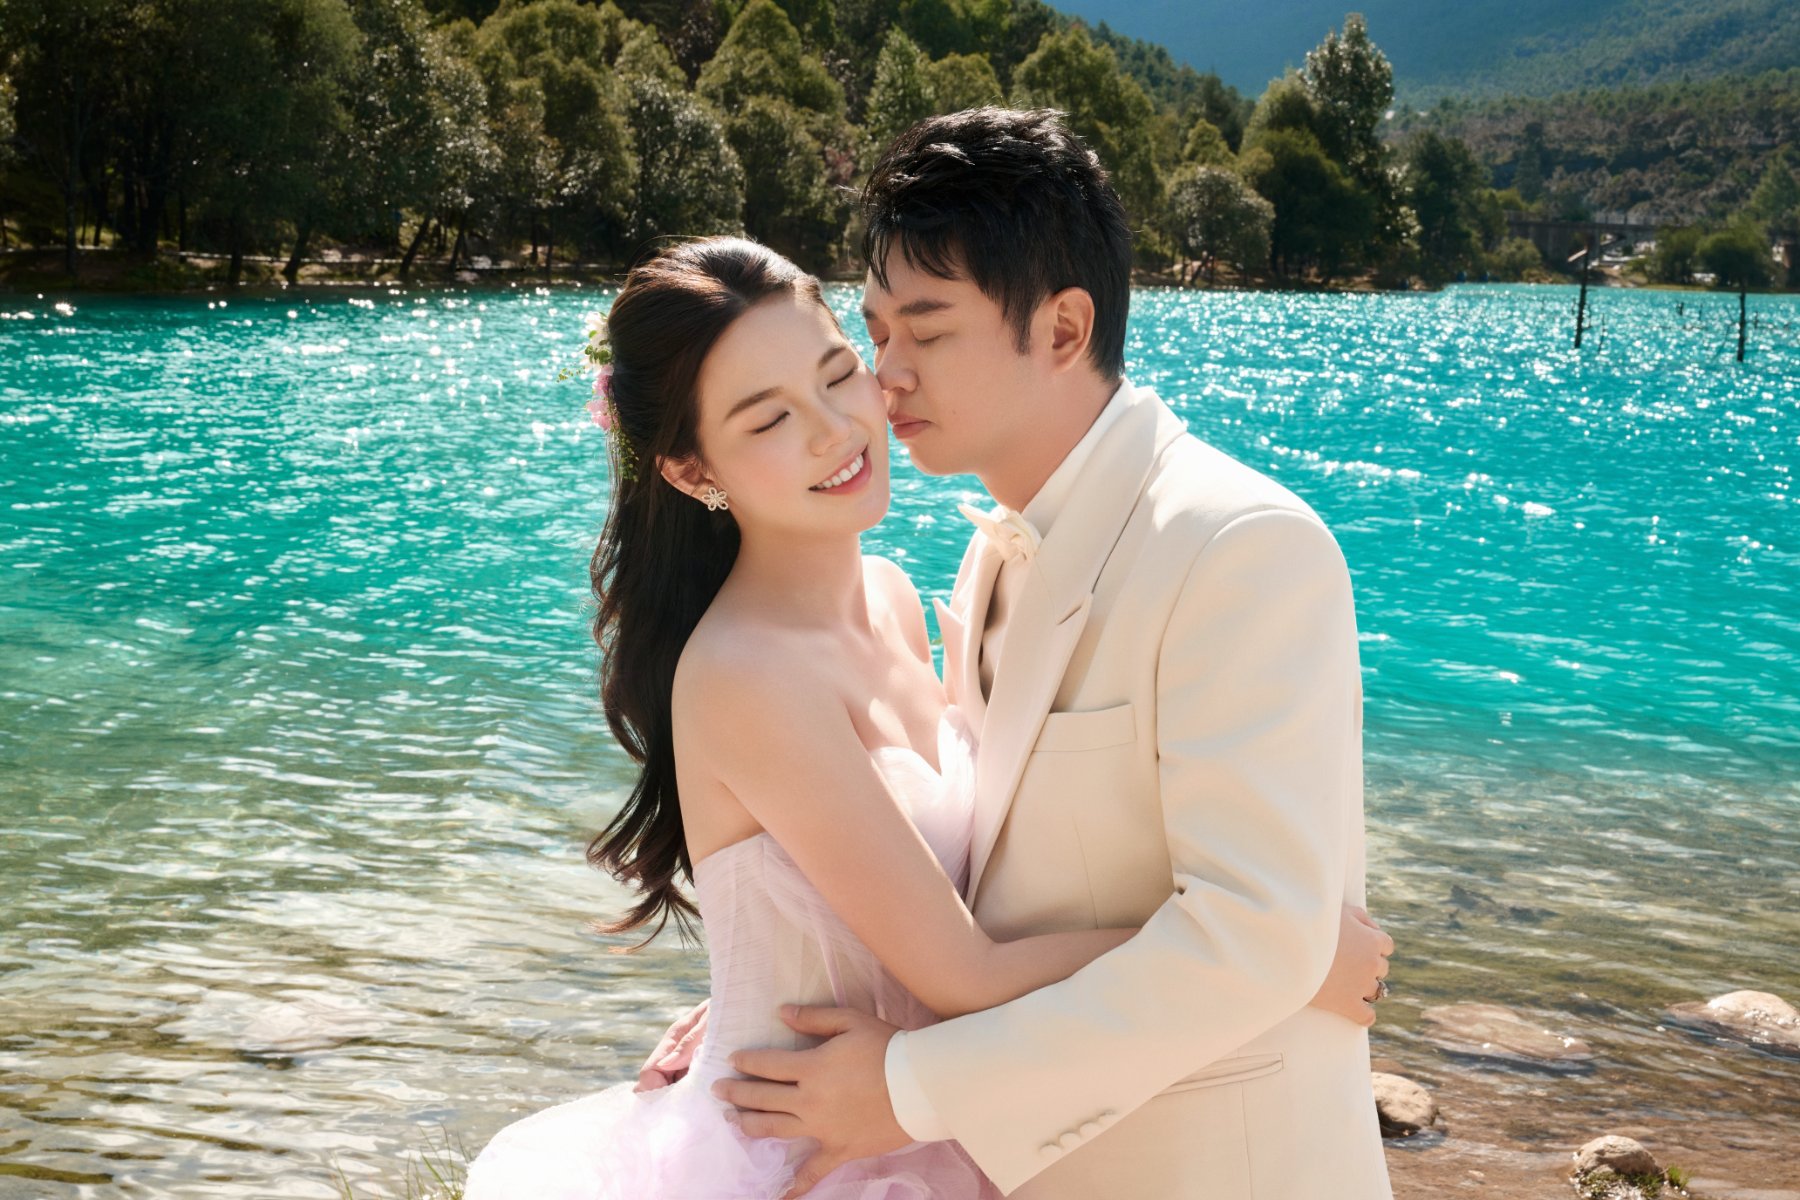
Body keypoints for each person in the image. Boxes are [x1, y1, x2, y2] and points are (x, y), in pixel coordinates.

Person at [462, 230, 1390, 1198]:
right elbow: (965, 971)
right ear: (694, 472)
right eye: (768, 419)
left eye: (837, 373)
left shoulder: (894, 596)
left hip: (922, 1115)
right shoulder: (745, 674)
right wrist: (1282, 956)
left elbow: (933, 883)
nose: (834, 429)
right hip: (813, 1142)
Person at [692, 108, 1398, 1200]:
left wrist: (909, 1089)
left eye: (927, 333)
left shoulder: (1239, 546)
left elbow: (1255, 938)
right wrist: (764, 997)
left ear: (1063, 329)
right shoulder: (992, 555)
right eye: (875, 333)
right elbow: (964, 881)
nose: (886, 378)